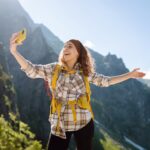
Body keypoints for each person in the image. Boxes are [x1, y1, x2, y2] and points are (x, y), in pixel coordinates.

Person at [10, 32, 145, 150]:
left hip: (84, 123)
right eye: (64, 46)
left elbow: (106, 81)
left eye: (70, 46)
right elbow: (32, 70)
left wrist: (130, 75)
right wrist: (14, 51)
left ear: (78, 53)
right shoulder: (53, 69)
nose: (65, 48)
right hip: (59, 125)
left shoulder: (85, 73)